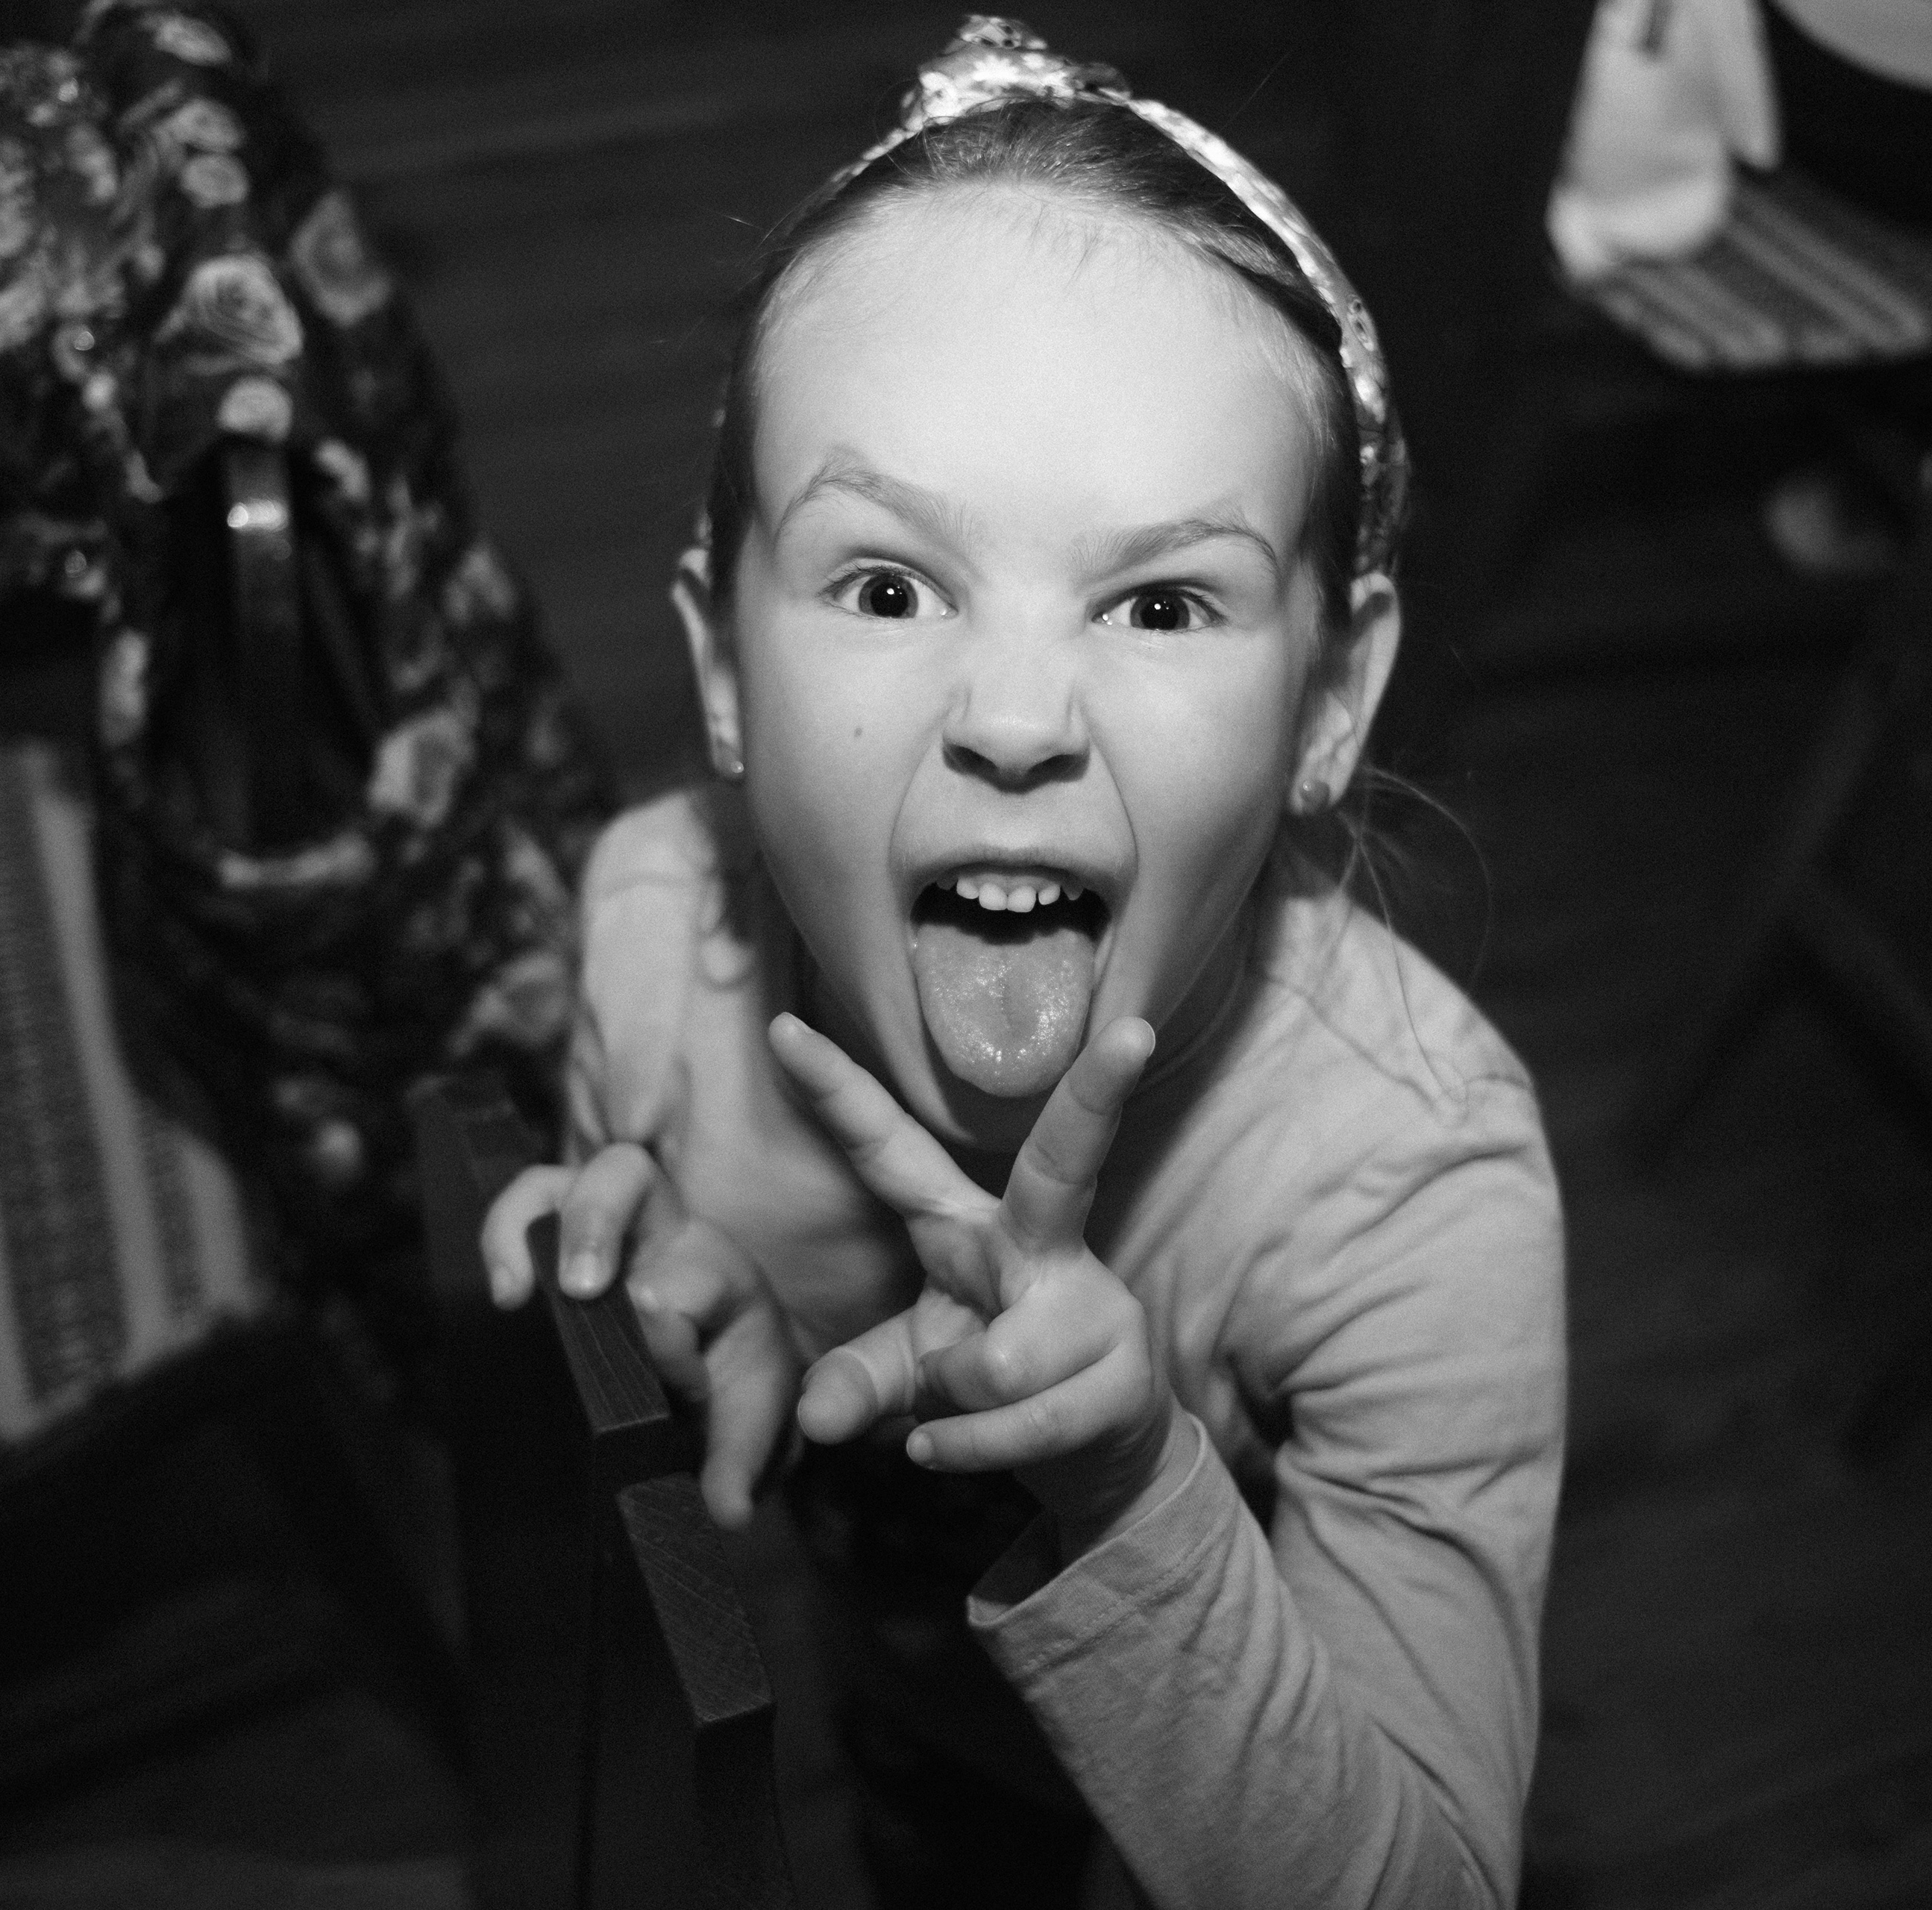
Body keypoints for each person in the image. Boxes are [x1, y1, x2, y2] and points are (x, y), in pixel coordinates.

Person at [482, 20, 1566, 1908]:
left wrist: (1136, 1484)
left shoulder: (1415, 1188)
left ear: (1329, 699)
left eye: (1161, 601)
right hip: (906, 1692)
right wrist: (665, 1333)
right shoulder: (657, 936)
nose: (1012, 715)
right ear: (724, 670)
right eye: (889, 585)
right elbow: (679, 1411)